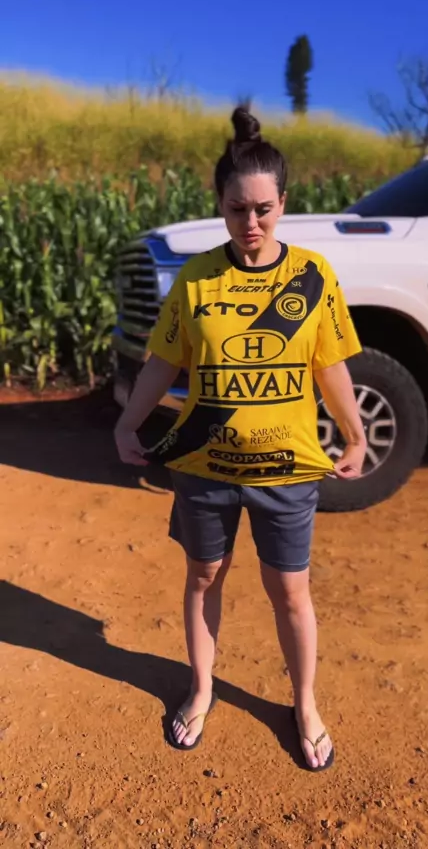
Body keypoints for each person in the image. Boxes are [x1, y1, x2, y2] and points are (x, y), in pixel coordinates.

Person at [114, 106, 366, 772]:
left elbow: (331, 365)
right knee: (204, 577)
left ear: (283, 203)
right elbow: (162, 363)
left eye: (262, 209)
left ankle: (305, 705)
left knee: (291, 592)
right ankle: (202, 690)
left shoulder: (312, 276)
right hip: (203, 466)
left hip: (287, 470)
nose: (249, 223)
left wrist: (355, 434)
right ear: (220, 205)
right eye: (235, 209)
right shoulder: (197, 278)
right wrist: (128, 421)